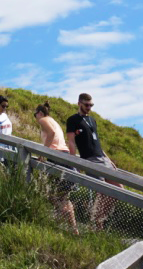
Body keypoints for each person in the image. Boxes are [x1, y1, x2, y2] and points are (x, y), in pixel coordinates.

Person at [65, 92, 121, 227]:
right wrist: (73, 161)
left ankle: (99, 219)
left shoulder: (92, 120)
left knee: (118, 188)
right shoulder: (73, 120)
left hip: (102, 158)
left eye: (91, 105)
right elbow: (71, 141)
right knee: (102, 190)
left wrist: (108, 159)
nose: (89, 107)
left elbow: (96, 142)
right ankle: (97, 223)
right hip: (89, 159)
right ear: (79, 103)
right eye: (86, 105)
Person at [35, 102, 79, 234]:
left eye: (35, 114)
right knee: (64, 197)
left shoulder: (43, 120)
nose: (35, 118)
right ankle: (73, 229)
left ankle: (58, 225)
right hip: (65, 156)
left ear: (40, 113)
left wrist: (43, 152)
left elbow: (52, 133)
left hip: (56, 157)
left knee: (51, 194)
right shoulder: (54, 120)